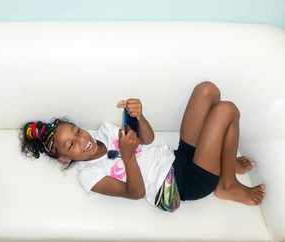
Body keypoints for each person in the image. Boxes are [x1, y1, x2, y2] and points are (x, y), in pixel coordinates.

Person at [20, 82, 266, 212]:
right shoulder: (89, 175)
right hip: (174, 188)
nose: (82, 139)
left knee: (207, 90)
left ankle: (223, 163)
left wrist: (140, 117)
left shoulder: (105, 131)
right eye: (71, 145)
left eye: (76, 131)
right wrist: (127, 157)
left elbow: (146, 140)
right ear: (64, 159)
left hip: (175, 158)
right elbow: (135, 193)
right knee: (227, 110)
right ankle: (226, 184)